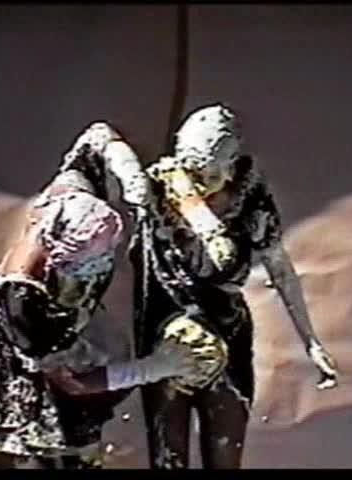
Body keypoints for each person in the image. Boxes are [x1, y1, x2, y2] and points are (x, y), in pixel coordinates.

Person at [0, 122, 199, 469]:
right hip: (41, 371)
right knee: (59, 446)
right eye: (93, 266)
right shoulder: (26, 311)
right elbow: (73, 384)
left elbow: (97, 138)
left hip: (73, 327)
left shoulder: (63, 203)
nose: (105, 266)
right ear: (62, 262)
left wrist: (132, 179)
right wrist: (152, 369)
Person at [129, 103, 339, 469]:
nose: (199, 182)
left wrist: (311, 341)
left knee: (225, 450)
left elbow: (280, 268)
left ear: (230, 168)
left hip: (227, 331)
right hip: (166, 335)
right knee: (168, 455)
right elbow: (101, 146)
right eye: (192, 171)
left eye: (209, 173)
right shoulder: (158, 187)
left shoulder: (251, 201)